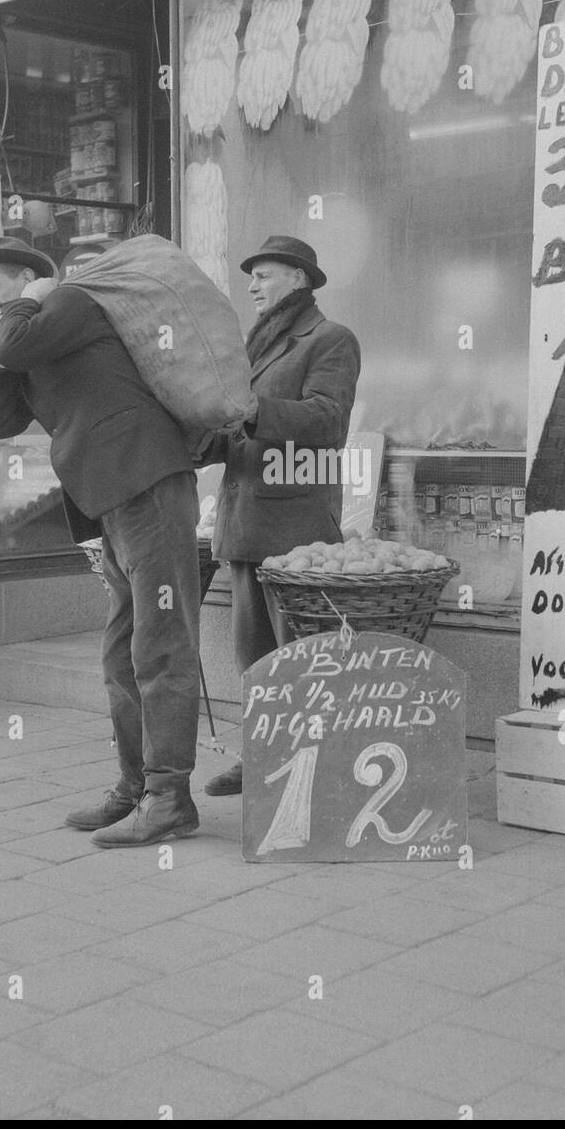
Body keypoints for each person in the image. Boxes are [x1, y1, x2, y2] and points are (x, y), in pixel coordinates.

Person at [0, 236, 204, 847]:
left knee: (160, 643)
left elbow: (16, 339)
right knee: (121, 651)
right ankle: (135, 787)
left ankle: (170, 796)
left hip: (145, 478)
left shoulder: (69, 302)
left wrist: (15, 317)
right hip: (109, 495)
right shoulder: (23, 337)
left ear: (27, 278)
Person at [200, 235, 361, 796]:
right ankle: (262, 754)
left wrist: (251, 410)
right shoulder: (257, 345)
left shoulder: (330, 339)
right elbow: (239, 430)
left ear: (298, 277)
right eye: (251, 277)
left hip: (296, 529)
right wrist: (204, 437)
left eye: (263, 275)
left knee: (301, 654)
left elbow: (327, 422)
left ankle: (312, 765)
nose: (252, 286)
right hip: (246, 521)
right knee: (254, 654)